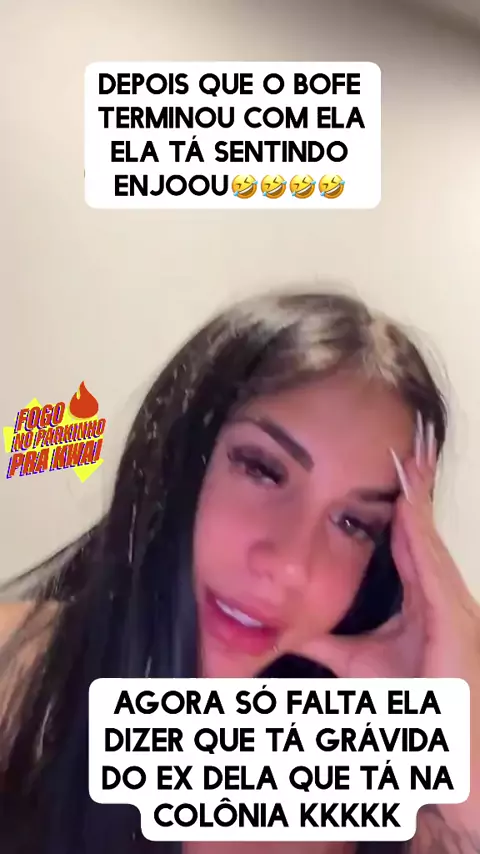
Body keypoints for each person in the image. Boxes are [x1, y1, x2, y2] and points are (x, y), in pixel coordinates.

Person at [0, 290, 478, 854]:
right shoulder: (19, 677)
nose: (291, 566)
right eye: (262, 469)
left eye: (354, 523)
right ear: (177, 455)